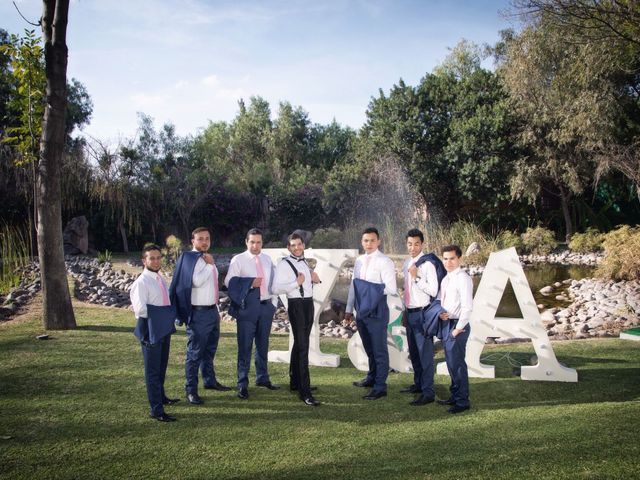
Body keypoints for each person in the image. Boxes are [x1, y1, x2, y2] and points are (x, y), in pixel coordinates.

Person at [169, 227, 231, 406]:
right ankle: (191, 390)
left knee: (209, 350)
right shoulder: (190, 259)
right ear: (193, 241)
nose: (205, 242)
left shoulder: (206, 258)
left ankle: (209, 381)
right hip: (197, 313)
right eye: (201, 239)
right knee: (195, 353)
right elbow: (195, 282)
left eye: (207, 238)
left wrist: (216, 309)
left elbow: (212, 285)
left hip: (212, 310)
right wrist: (210, 264)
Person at [225, 228, 278, 400]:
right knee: (245, 347)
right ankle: (242, 383)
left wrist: (273, 304)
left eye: (259, 242)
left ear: (262, 243)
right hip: (247, 308)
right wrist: (249, 283)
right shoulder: (238, 260)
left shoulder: (267, 259)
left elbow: (273, 282)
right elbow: (229, 282)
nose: (255, 246)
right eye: (252, 242)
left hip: (266, 307)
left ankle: (262, 378)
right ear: (246, 242)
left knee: (263, 345)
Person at [345, 227, 397, 400]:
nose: (369, 243)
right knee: (369, 348)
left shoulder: (385, 262)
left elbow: (391, 288)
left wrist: (367, 289)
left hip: (377, 310)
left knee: (379, 350)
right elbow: (354, 286)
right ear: (362, 242)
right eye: (366, 240)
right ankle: (371, 377)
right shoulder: (359, 261)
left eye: (372, 240)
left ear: (379, 241)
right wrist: (348, 309)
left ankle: (380, 386)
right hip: (361, 311)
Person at [130, 244, 179, 422]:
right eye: (152, 258)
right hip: (150, 329)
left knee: (161, 366)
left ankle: (162, 397)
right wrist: (166, 313)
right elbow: (140, 310)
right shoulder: (141, 283)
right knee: (152, 371)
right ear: (144, 260)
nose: (156, 261)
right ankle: (156, 410)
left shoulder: (159, 279)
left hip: (163, 328)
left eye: (158, 258)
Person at [272, 232, 322, 406]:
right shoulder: (284, 264)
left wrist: (313, 279)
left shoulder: (304, 261)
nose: (297, 247)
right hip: (296, 306)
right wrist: (296, 283)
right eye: (293, 245)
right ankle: (305, 391)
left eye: (299, 244)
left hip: (308, 304)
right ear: (288, 247)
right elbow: (276, 288)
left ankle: (295, 381)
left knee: (300, 343)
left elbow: (306, 283)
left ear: (303, 245)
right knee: (303, 347)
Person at [401, 228, 440, 406]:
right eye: (410, 244)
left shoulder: (428, 264)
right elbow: (407, 290)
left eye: (416, 244)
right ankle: (418, 385)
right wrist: (404, 310)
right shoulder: (407, 262)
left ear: (422, 244)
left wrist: (416, 278)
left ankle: (428, 392)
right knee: (414, 353)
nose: (413, 247)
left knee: (425, 355)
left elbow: (433, 290)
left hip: (423, 313)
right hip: (410, 313)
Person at [437, 245, 473, 414]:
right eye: (445, 258)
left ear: (459, 259)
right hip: (447, 323)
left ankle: (462, 401)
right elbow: (443, 301)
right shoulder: (446, 279)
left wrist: (458, 329)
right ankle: (454, 395)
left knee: (457, 364)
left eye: (452, 258)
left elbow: (467, 307)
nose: (448, 262)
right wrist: (441, 314)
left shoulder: (463, 278)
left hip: (458, 326)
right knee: (451, 363)